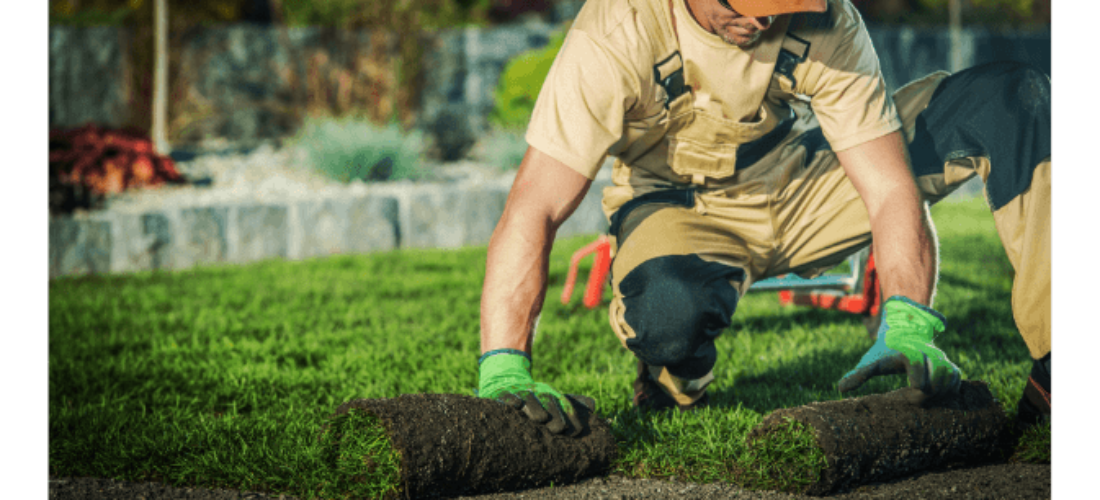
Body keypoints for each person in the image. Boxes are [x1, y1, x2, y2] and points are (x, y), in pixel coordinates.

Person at [474, 0, 1052, 438]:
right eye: (742, 8)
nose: (758, 24)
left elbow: (886, 186)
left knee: (1011, 97)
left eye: (779, 9)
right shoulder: (615, 30)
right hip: (679, 205)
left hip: (799, 179)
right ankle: (678, 373)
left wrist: (906, 318)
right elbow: (536, 205)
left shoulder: (831, 22)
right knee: (669, 316)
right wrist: (504, 365)